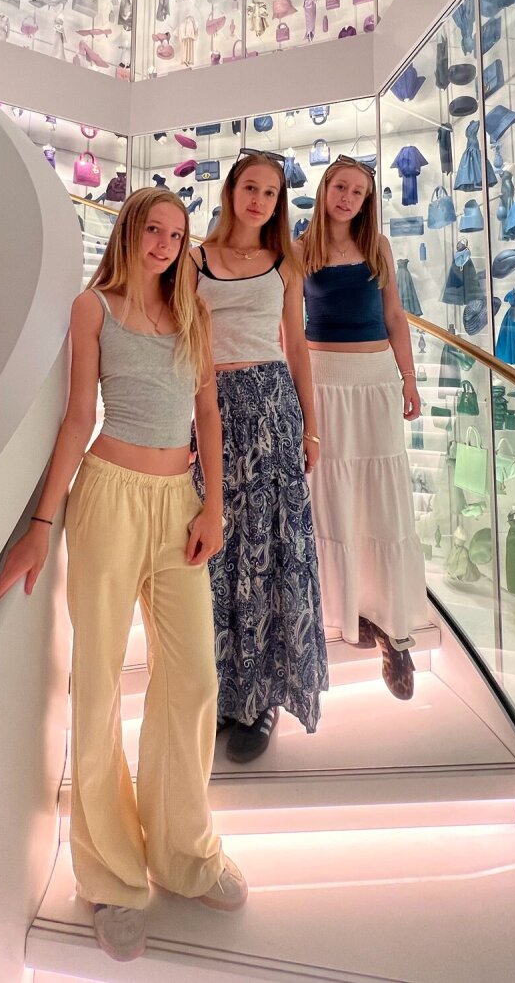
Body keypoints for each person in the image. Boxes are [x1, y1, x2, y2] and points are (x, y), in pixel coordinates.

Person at [0, 187, 245, 964]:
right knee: (97, 682)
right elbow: (77, 418)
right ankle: (110, 876)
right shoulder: (91, 308)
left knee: (193, 678)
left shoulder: (193, 312)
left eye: (176, 233)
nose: (165, 244)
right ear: (130, 233)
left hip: (179, 505)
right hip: (107, 498)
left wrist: (214, 506)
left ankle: (183, 850)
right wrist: (41, 526)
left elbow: (207, 414)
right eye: (153, 229)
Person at [190, 150, 329, 763]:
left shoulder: (284, 262)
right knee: (216, 549)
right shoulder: (194, 260)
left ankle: (262, 697)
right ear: (230, 192)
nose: (259, 201)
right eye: (251, 188)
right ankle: (221, 690)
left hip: (272, 408)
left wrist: (312, 429)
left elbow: (296, 345)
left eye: (271, 193)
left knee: (270, 552)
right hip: (209, 409)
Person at [298, 156, 426, 700]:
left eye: (358, 191)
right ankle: (349, 610)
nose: (348, 197)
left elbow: (395, 315)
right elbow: (287, 327)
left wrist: (409, 378)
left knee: (382, 500)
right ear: (325, 189)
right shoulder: (301, 250)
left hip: (375, 381)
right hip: (322, 380)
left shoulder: (379, 248)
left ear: (367, 200)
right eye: (341, 187)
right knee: (332, 496)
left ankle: (395, 631)